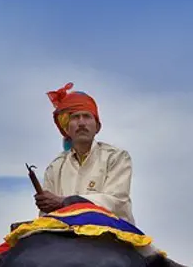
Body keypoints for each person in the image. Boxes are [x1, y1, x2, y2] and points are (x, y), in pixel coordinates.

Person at [35, 83, 134, 224]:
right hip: (65, 235)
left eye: (87, 116)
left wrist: (65, 202)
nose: (81, 123)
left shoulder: (116, 157)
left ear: (97, 127)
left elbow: (116, 202)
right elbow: (46, 215)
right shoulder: (55, 167)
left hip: (111, 233)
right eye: (75, 117)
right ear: (67, 129)